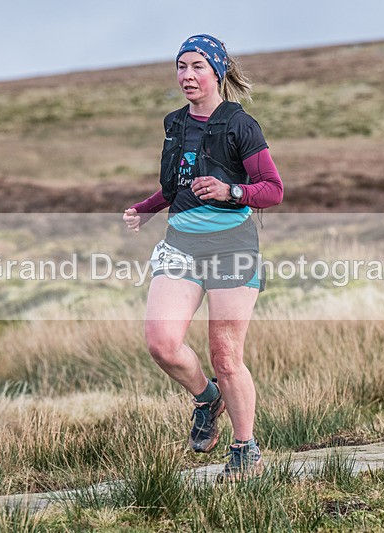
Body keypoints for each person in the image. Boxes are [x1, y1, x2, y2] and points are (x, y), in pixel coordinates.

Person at [122, 34, 283, 482]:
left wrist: (233, 191)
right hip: (182, 245)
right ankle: (206, 397)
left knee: (226, 355)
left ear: (217, 71)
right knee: (162, 343)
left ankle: (244, 448)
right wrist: (147, 209)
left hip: (233, 247)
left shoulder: (240, 124)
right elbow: (177, 186)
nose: (187, 76)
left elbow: (272, 189)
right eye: (180, 67)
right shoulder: (175, 123)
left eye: (196, 66)